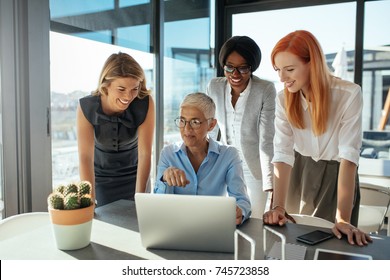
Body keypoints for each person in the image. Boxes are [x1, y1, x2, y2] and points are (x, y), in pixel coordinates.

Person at [263, 30, 372, 246]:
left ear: (312, 63)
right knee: (291, 246)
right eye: (278, 70)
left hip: (337, 175)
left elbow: (349, 158)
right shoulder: (283, 99)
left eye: (290, 69)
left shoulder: (349, 94)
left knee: (330, 248)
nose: (282, 78)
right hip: (297, 173)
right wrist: (278, 206)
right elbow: (283, 154)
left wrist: (343, 218)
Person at [154, 92, 251, 225]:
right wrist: (164, 179)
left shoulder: (229, 155)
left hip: (213, 226)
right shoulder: (168, 154)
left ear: (211, 125)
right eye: (182, 121)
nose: (186, 129)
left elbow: (242, 200)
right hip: (176, 225)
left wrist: (239, 211)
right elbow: (158, 207)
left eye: (195, 122)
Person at [206, 36, 276, 218]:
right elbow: (210, 131)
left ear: (252, 67)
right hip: (224, 164)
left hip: (254, 169)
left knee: (254, 221)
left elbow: (266, 139)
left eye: (243, 68)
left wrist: (271, 184)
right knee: (223, 220)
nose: (235, 74)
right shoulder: (214, 86)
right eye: (229, 67)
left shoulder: (265, 89)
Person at [77, 52, 155, 207]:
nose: (128, 96)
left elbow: (145, 154)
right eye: (121, 89)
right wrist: (89, 200)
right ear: (106, 85)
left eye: (134, 88)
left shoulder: (145, 103)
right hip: (101, 180)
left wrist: (140, 198)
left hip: (136, 177)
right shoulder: (86, 107)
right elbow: (85, 157)